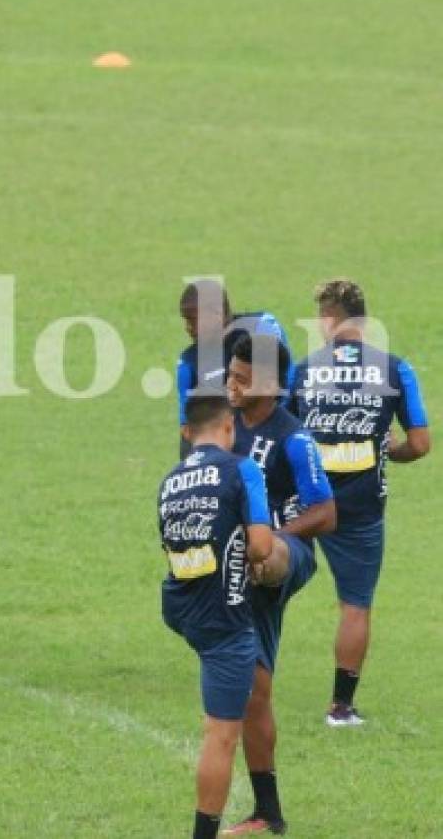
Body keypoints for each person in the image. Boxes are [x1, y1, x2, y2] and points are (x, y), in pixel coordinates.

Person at [287, 279, 429, 726]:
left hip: (306, 502)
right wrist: (389, 450)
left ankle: (248, 676)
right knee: (355, 604)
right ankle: (340, 707)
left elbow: (282, 433)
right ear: (364, 320)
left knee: (268, 582)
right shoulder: (395, 369)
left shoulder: (303, 371)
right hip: (361, 509)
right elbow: (421, 444)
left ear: (328, 320)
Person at [223, 334, 335, 836]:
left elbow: (326, 513)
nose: (231, 384)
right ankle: (269, 813)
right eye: (230, 373)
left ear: (269, 384)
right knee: (254, 693)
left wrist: (270, 541)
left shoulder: (295, 438)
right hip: (240, 573)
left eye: (242, 378)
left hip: (289, 557)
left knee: (265, 556)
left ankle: (260, 559)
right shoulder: (226, 430)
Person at [157, 394, 283, 839]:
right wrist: (251, 553)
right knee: (222, 733)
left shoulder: (170, 480)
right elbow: (264, 546)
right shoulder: (241, 468)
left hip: (181, 605)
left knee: (256, 693)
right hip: (223, 620)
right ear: (229, 427)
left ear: (187, 433)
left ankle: (270, 810)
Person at [176, 280, 286, 457]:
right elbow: (188, 427)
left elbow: (286, 384)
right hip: (226, 451)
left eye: (193, 320)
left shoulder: (260, 327)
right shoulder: (189, 361)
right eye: (186, 321)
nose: (188, 328)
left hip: (272, 436)